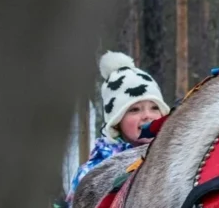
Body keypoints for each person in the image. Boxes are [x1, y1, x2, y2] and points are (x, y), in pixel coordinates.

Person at [68, 52, 170, 200]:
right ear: (116, 123)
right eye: (134, 109)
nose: (147, 115)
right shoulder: (95, 172)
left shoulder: (173, 155)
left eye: (155, 108)